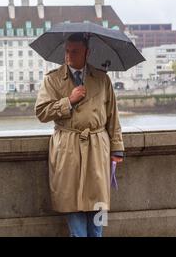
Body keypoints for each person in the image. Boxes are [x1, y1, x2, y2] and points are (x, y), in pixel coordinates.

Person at [34, 32, 124, 237]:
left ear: (87, 52)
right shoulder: (53, 79)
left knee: (98, 203)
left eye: (75, 52)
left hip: (97, 147)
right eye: (67, 51)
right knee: (71, 202)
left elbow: (113, 116)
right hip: (68, 147)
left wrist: (117, 148)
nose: (69, 56)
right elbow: (41, 112)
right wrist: (69, 101)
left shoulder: (102, 79)